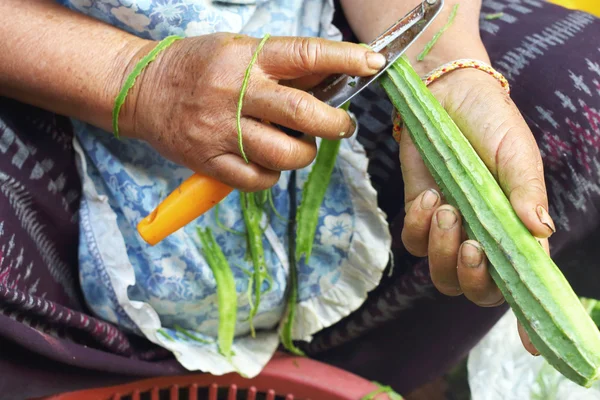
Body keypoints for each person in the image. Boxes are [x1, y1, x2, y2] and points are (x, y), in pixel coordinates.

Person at [0, 0, 597, 397]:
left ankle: (356, 366)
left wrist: (448, 67)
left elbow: (422, 29)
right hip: (60, 65)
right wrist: (133, 77)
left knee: (585, 89)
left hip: (330, 34)